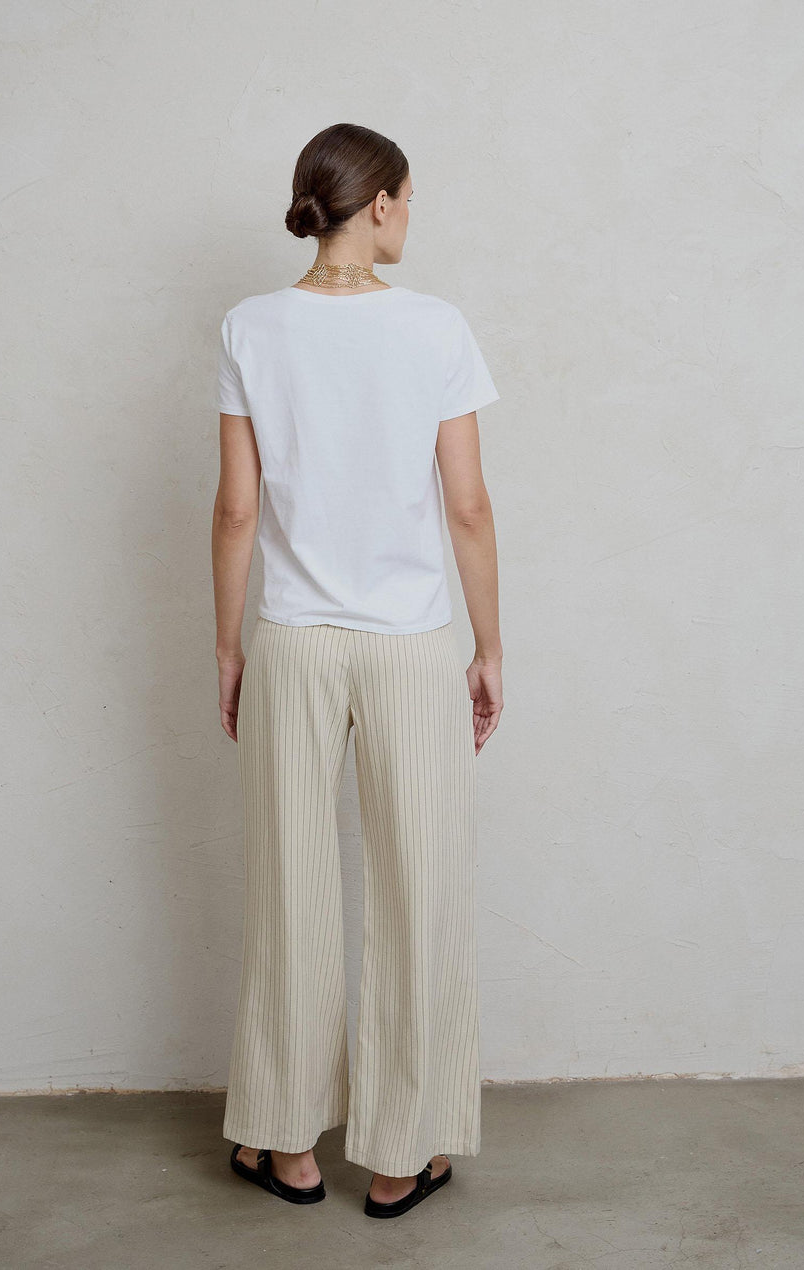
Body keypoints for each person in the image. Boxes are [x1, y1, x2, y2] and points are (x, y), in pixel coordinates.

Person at [211, 122, 504, 1218]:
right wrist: (488, 646)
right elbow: (466, 507)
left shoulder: (249, 325)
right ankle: (399, 1155)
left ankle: (287, 1146)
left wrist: (230, 648)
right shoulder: (434, 327)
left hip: (293, 638)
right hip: (409, 643)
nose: (411, 217)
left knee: (290, 889)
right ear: (376, 203)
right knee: (418, 889)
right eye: (408, 199)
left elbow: (236, 510)